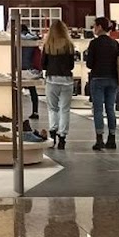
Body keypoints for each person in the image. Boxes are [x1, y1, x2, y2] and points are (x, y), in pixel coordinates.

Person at [85, 17, 119, 151]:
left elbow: (89, 64)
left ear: (100, 27)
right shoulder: (115, 43)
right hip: (113, 79)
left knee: (98, 109)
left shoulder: (94, 43)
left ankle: (99, 138)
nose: (94, 28)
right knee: (110, 108)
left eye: (95, 26)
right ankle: (112, 138)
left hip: (98, 78)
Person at [41, 19, 76, 149]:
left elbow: (43, 64)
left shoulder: (48, 45)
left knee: (52, 108)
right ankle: (62, 137)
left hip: (52, 79)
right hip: (67, 80)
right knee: (65, 109)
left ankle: (53, 133)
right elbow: (71, 65)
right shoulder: (69, 45)